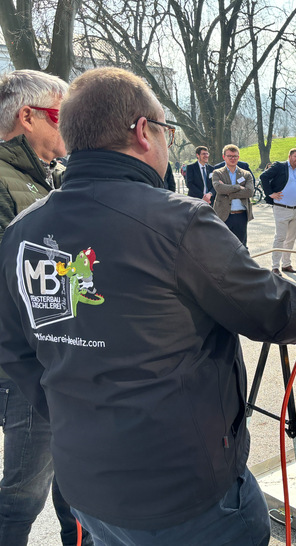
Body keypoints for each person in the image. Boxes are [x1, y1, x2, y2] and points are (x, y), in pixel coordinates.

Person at [0, 67, 296, 546]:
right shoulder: (177, 221)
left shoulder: (22, 230)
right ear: (144, 132)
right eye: (166, 129)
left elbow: (14, 349)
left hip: (86, 483)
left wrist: (68, 411)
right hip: (187, 497)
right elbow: (270, 310)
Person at [0, 70, 92, 546]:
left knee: (75, 488)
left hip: (61, 353)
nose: (70, 126)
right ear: (28, 116)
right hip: (27, 365)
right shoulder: (3, 181)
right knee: (21, 495)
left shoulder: (48, 177)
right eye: (62, 115)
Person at [260, 148, 296, 275]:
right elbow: (263, 176)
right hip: (282, 208)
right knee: (280, 237)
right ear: (289, 156)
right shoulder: (280, 166)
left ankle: (286, 264)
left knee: (291, 239)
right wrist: (270, 193)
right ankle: (275, 266)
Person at [212, 144, 255, 246]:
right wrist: (238, 187)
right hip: (223, 215)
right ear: (224, 157)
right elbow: (219, 189)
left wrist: (228, 192)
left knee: (241, 247)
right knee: (222, 246)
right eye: (229, 156)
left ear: (238, 157)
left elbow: (249, 192)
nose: (232, 158)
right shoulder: (217, 173)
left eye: (235, 156)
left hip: (241, 215)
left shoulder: (246, 174)